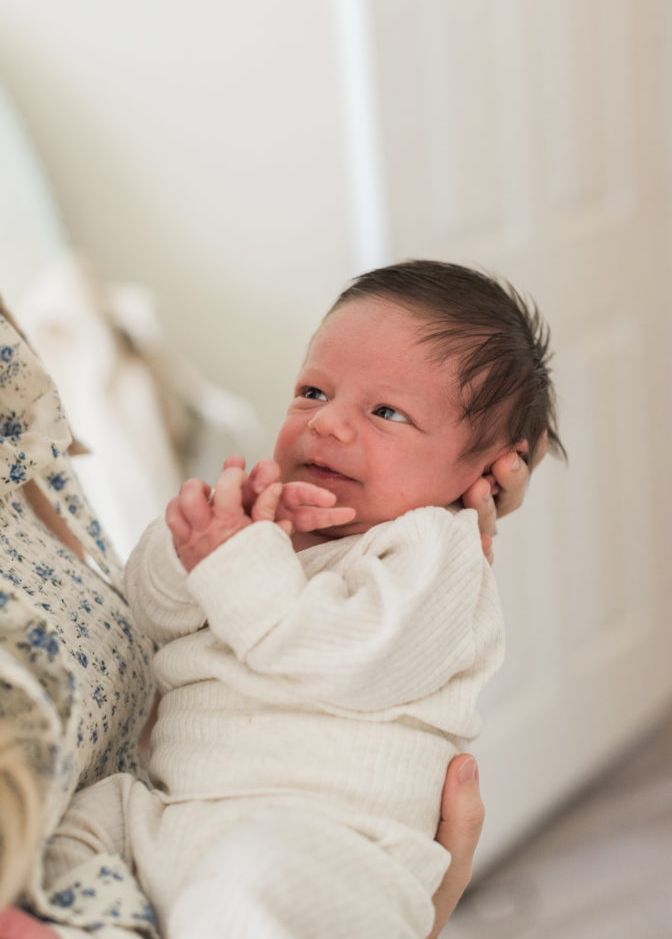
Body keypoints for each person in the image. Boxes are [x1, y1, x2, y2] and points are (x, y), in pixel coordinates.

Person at [40, 261, 564, 938]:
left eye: (386, 411)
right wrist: (188, 549)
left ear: (484, 471)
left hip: (330, 848)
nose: (328, 425)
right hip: (174, 818)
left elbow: (346, 657)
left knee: (246, 888)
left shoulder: (436, 553)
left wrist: (235, 558)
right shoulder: (263, 529)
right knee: (73, 828)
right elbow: (152, 623)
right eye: (313, 391)